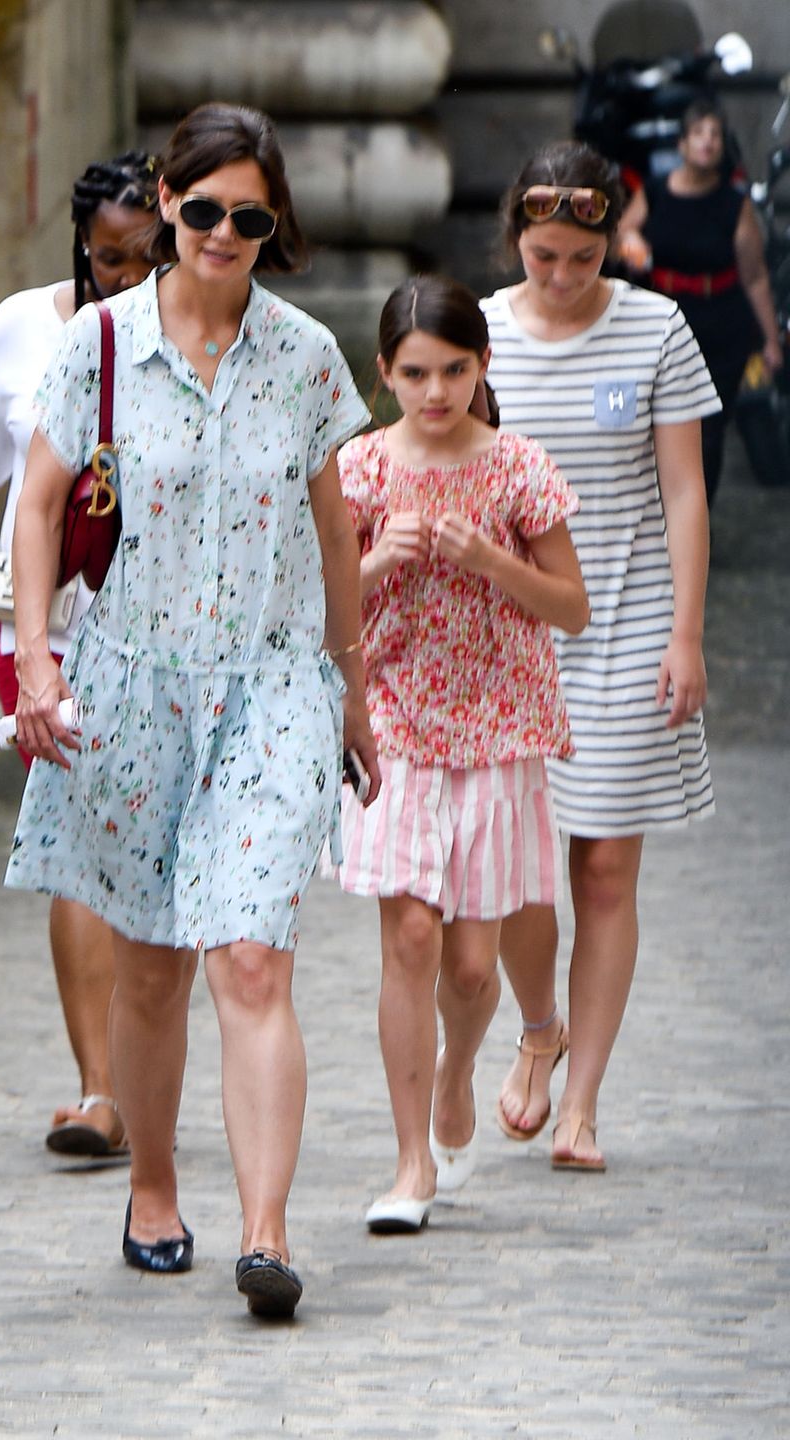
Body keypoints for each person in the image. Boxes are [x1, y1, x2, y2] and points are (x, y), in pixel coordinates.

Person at [3, 102, 380, 1318]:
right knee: (155, 966)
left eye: (251, 216)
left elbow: (335, 532)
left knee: (255, 960)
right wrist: (40, 663)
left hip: (273, 685)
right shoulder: (99, 345)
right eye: (205, 209)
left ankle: (265, 1233)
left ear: (276, 226)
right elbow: (37, 504)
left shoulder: (310, 357)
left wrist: (353, 692)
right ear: (166, 202)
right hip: (132, 685)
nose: (225, 232)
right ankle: (155, 1186)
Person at [481, 141, 718, 1171]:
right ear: (517, 244)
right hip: (505, 638)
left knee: (607, 867)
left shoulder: (657, 327)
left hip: (624, 621)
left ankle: (582, 1106)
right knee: (516, 872)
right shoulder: (479, 333)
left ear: (611, 241)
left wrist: (688, 634)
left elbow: (683, 491)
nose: (564, 278)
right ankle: (539, 1026)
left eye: (582, 258)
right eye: (543, 258)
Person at [334, 276, 589, 1231]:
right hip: (395, 718)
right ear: (384, 374)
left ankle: (458, 1065)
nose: (434, 392)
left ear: (481, 368)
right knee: (407, 937)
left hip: (499, 722)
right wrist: (374, 562)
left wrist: (492, 561)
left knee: (472, 965)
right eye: (414, 374)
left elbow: (572, 605)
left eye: (452, 371)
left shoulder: (519, 466)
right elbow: (313, 610)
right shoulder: (358, 470)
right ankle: (410, 1165)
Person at [0, 153, 156, 1157]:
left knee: (154, 848)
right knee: (82, 842)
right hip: (45, 628)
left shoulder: (225, 338)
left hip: (175, 630)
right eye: (109, 259)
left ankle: (152, 1060)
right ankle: (102, 1090)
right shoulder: (21, 331)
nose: (129, 279)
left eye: (151, 260)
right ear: (78, 244)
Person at [618, 99, 784, 507]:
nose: (707, 143)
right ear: (683, 144)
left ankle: (694, 519)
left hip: (721, 324)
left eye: (715, 136)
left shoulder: (734, 205)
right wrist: (632, 241)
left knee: (708, 430)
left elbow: (755, 275)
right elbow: (624, 230)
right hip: (664, 316)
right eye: (699, 134)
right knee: (653, 421)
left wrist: (771, 340)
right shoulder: (655, 191)